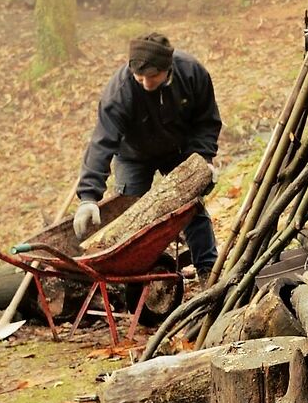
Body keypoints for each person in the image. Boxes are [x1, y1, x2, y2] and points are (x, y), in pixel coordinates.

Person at [72, 32, 222, 276]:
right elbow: (101, 142)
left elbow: (206, 121)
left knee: (190, 207)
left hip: (178, 149)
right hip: (133, 155)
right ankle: (134, 277)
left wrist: (201, 160)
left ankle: (207, 268)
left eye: (152, 76)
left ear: (168, 67)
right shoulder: (120, 92)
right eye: (139, 76)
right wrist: (88, 196)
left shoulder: (192, 73)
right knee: (131, 215)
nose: (145, 83)